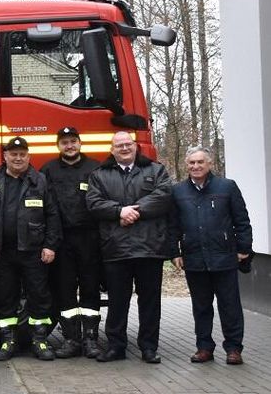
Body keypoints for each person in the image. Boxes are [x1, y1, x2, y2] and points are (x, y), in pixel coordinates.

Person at [86, 132, 173, 364]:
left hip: (149, 247)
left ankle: (149, 348)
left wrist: (133, 212)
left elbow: (164, 196)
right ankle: (116, 347)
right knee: (117, 302)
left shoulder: (156, 170)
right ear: (112, 150)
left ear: (135, 146)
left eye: (128, 144)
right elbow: (93, 203)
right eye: (119, 145)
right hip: (116, 248)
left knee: (150, 302)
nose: (124, 148)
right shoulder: (99, 175)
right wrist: (119, 212)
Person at [168, 146, 252, 366]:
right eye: (191, 163)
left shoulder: (227, 187)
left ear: (210, 163)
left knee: (230, 306)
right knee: (201, 307)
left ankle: (233, 348)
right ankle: (204, 347)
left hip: (224, 257)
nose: (196, 166)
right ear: (186, 165)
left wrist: (244, 248)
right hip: (194, 258)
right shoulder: (177, 191)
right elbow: (172, 225)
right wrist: (174, 252)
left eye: (200, 162)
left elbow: (242, 221)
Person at [0, 137, 61, 363]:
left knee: (39, 296)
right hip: (2, 252)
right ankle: (8, 341)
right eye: (13, 154)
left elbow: (53, 215)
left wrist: (50, 245)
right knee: (4, 297)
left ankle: (40, 341)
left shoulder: (40, 181)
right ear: (5, 156)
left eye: (22, 154)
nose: (18, 158)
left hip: (33, 251)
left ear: (29, 156)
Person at [40, 127, 102, 358]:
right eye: (64, 142)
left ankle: (91, 339)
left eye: (73, 141)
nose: (69, 146)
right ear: (58, 145)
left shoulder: (95, 168)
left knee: (90, 289)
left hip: (89, 239)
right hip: (61, 239)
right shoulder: (48, 170)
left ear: (80, 143)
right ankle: (71, 339)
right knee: (64, 290)